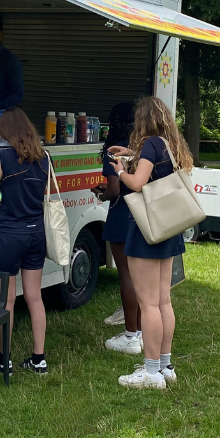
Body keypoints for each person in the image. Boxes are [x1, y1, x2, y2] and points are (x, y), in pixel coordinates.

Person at [108, 96, 193, 390]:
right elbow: (153, 167)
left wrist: (120, 169)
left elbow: (138, 183)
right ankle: (166, 366)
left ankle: (151, 372)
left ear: (142, 120)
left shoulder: (150, 145)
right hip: (169, 229)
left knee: (148, 304)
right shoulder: (167, 145)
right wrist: (132, 154)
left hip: (147, 233)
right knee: (163, 300)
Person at [0, 107, 50, 375]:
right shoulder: (45, 159)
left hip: (9, 234)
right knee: (35, 297)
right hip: (36, 234)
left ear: (8, 131)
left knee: (6, 301)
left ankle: (5, 361)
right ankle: (38, 359)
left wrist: (4, 196)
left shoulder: (4, 158)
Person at [91, 102, 140, 355]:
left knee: (127, 276)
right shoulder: (140, 148)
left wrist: (102, 194)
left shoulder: (113, 150)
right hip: (141, 215)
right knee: (141, 277)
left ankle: (130, 335)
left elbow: (114, 189)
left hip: (121, 215)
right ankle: (141, 332)